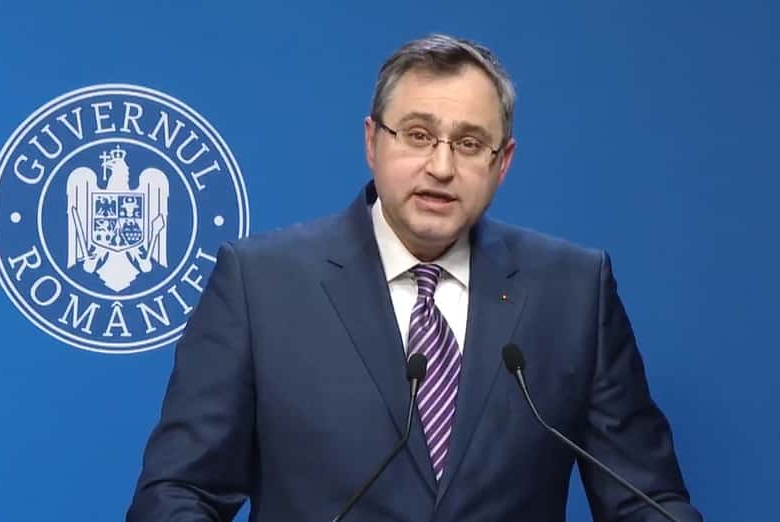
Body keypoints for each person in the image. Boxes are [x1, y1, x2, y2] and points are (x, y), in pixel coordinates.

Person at [127, 34, 703, 521]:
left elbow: (647, 500)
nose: (441, 167)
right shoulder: (260, 285)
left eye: (470, 144)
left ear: (502, 163)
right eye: (419, 135)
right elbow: (179, 492)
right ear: (372, 141)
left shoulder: (573, 291)